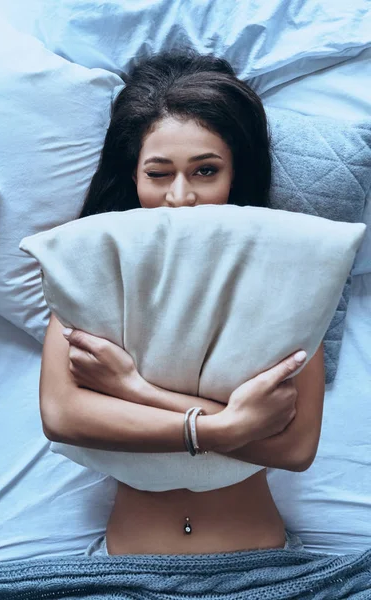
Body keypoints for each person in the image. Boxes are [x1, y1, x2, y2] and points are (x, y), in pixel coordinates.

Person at [40, 50, 325, 557]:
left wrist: (132, 389)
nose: (179, 197)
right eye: (158, 173)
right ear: (132, 176)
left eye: (204, 171)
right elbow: (63, 415)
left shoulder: (287, 273)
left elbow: (295, 448)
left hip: (264, 567)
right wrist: (228, 426)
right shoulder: (94, 268)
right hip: (125, 573)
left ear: (235, 173)